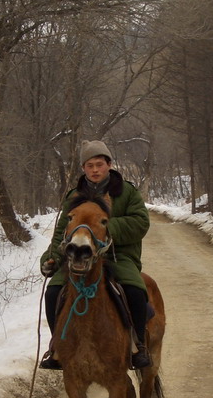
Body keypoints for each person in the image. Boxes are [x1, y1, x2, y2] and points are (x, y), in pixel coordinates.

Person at [39, 139, 151, 370]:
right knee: (53, 293)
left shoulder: (126, 192)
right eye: (89, 165)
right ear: (83, 168)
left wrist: (105, 228)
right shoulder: (73, 196)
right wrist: (51, 258)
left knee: (135, 291)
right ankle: (58, 347)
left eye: (99, 164)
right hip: (78, 257)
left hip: (117, 256)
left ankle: (137, 346)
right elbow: (62, 232)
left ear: (109, 164)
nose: (95, 170)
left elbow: (141, 222)